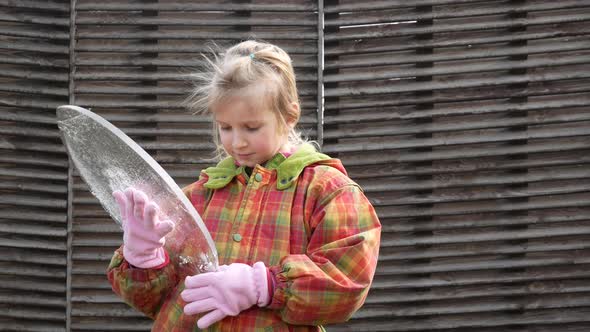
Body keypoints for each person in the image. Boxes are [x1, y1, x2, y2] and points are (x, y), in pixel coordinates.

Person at [107, 40, 381, 331]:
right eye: (225, 127)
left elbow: (349, 281)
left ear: (289, 116)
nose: (237, 142)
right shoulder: (198, 197)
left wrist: (265, 285)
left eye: (251, 128)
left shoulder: (328, 191)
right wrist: (145, 257)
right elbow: (155, 301)